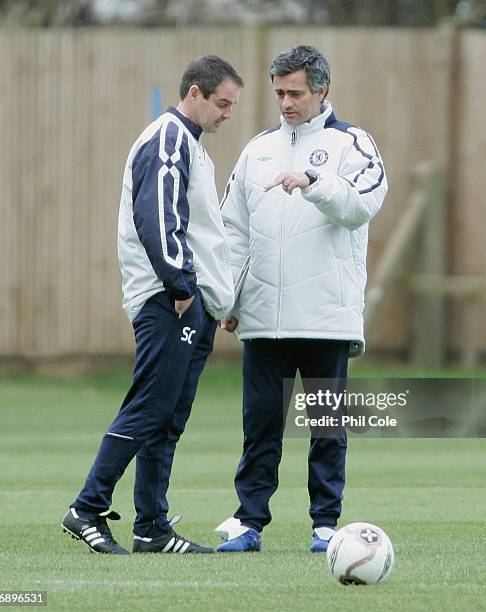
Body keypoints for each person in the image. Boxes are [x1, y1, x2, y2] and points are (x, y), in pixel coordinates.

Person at [61, 55, 243, 554]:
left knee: (169, 416)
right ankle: (87, 507)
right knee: (149, 407)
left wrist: (212, 296)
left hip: (193, 302)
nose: (229, 114)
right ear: (195, 94)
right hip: (170, 299)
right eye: (223, 103)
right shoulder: (167, 138)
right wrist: (181, 286)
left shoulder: (193, 147)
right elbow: (157, 216)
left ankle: (151, 527)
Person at [215, 45, 387, 553]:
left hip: (327, 316)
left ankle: (325, 525)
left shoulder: (352, 144)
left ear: (321, 90)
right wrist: (230, 296)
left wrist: (313, 181)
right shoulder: (257, 149)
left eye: (295, 92)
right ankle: (249, 522)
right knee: (260, 426)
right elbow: (233, 229)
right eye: (279, 93)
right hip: (264, 317)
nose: (286, 103)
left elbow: (362, 204)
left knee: (327, 428)